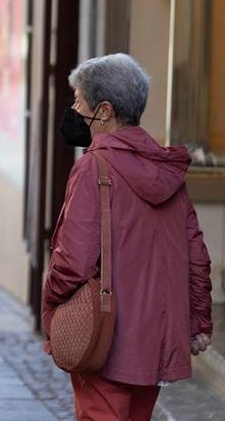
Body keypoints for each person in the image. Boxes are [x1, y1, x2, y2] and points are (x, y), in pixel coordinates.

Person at [42, 54, 213, 421]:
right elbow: (196, 253)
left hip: (105, 336)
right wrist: (198, 321)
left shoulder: (94, 166)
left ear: (103, 111)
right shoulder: (167, 169)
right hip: (156, 337)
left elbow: (74, 261)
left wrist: (52, 303)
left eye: (77, 100)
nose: (73, 108)